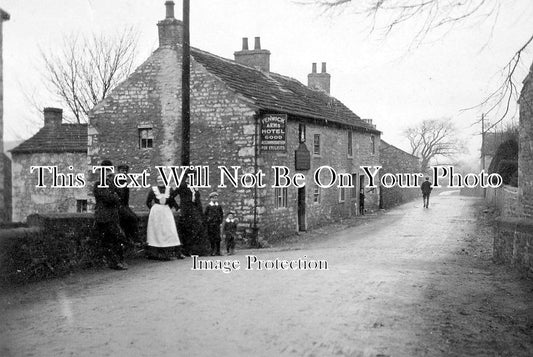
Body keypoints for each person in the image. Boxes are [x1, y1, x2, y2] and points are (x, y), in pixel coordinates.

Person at [93, 159, 128, 270]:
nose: (108, 173)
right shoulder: (99, 184)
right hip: (103, 216)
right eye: (106, 171)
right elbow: (108, 198)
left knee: (117, 238)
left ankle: (117, 261)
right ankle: (114, 263)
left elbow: (121, 197)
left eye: (109, 170)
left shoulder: (112, 183)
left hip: (112, 216)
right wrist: (114, 196)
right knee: (114, 239)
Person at [146, 176, 184, 260]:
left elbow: (172, 200)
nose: (160, 181)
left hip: (166, 211)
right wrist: (153, 210)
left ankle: (177, 252)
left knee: (170, 230)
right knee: (156, 231)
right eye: (158, 179)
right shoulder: (153, 189)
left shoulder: (169, 189)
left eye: (162, 179)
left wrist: (177, 208)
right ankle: (156, 253)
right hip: (156, 212)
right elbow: (148, 202)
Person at [176, 172, 210, 256]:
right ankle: (188, 250)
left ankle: (197, 251)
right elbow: (172, 195)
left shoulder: (194, 186)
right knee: (190, 229)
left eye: (193, 176)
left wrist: (200, 212)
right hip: (186, 210)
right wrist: (177, 208)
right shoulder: (182, 185)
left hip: (194, 209)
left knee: (199, 227)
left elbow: (197, 200)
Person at [115, 164, 139, 248]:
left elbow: (126, 201)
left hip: (123, 206)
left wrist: (128, 209)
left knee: (135, 217)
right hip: (117, 208)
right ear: (118, 172)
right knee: (131, 218)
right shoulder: (115, 182)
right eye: (122, 170)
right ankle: (133, 239)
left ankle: (132, 239)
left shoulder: (125, 184)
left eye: (125, 171)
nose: (124, 172)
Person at [204, 192, 224, 256]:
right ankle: (212, 251)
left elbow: (221, 214)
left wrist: (220, 221)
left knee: (218, 237)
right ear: (211, 199)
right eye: (214, 198)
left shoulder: (219, 206)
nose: (215, 199)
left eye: (216, 198)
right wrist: (208, 221)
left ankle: (218, 251)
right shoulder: (208, 206)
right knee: (211, 238)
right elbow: (205, 215)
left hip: (217, 224)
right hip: (211, 224)